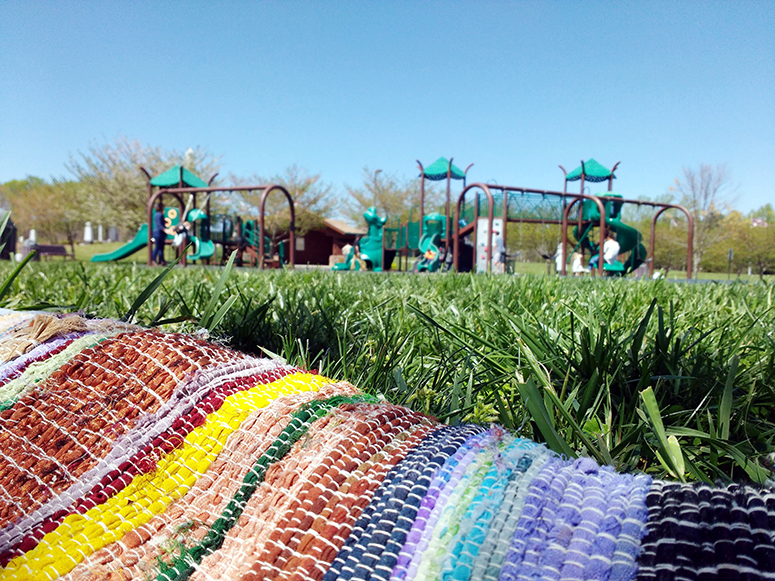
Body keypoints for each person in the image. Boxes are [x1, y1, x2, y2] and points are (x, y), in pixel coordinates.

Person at [151, 200, 168, 265]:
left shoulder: (157, 214)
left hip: (158, 233)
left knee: (161, 247)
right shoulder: (159, 215)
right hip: (158, 233)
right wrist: (165, 230)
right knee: (158, 247)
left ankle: (162, 260)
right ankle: (153, 260)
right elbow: (159, 225)